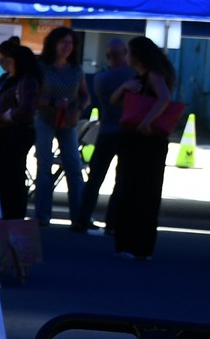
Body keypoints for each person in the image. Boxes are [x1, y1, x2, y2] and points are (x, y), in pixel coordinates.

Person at [108, 35, 180, 260]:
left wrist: (146, 120)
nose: (126, 57)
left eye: (128, 52)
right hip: (146, 140)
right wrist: (124, 87)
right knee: (144, 190)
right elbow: (113, 100)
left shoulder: (153, 76)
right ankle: (140, 245)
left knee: (135, 189)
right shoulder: (138, 78)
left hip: (144, 138)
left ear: (138, 55)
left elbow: (164, 97)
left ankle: (131, 244)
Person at [34, 27, 90, 228]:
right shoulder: (41, 67)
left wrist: (79, 109)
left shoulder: (76, 69)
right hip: (45, 118)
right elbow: (32, 96)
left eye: (70, 43)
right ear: (53, 44)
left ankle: (79, 216)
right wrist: (51, 102)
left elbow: (85, 94)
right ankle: (42, 214)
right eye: (63, 42)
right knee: (44, 166)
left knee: (74, 166)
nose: (67, 47)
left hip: (68, 121)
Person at [78, 38, 132, 233]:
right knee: (121, 179)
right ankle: (113, 222)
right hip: (126, 132)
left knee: (95, 178)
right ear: (125, 53)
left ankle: (82, 218)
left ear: (108, 56)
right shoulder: (133, 76)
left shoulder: (101, 78)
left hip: (106, 130)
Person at [0, 39, 42, 221]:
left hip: (15, 134)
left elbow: (26, 109)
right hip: (3, 134)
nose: (6, 64)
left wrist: (2, 116)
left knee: (13, 178)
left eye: (9, 60)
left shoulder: (27, 80)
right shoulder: (8, 79)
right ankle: (9, 214)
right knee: (6, 178)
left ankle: (14, 217)